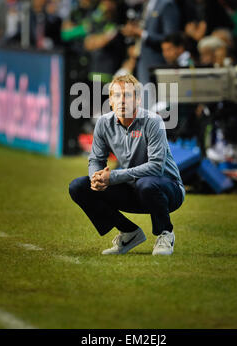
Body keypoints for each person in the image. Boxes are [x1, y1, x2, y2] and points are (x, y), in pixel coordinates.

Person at [69, 74, 185, 256]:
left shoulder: (153, 121)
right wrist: (96, 177)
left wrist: (113, 176)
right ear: (111, 101)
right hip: (134, 189)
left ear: (138, 100)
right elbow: (96, 160)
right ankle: (129, 233)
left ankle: (165, 234)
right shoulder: (103, 123)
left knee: (146, 183)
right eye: (117, 95)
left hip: (167, 190)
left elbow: (156, 167)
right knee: (78, 187)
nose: (122, 100)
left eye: (128, 95)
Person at [121, 0, 180, 85]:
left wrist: (141, 33)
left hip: (158, 66)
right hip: (143, 65)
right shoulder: (147, 3)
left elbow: (171, 38)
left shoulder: (166, 3)